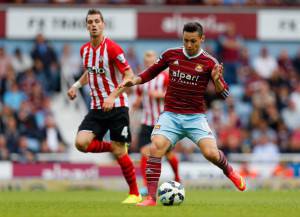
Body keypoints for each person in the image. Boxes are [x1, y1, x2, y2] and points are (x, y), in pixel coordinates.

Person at [120, 22, 246, 206]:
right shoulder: (171, 54)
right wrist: (135, 80)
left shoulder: (210, 62)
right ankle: (151, 199)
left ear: (201, 39)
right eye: (185, 40)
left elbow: (225, 94)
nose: (188, 45)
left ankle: (231, 172)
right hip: (171, 114)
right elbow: (150, 73)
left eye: (193, 41)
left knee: (210, 153)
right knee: (155, 148)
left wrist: (217, 81)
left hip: (195, 117)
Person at [67, 9, 141, 204]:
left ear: (103, 24)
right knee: (81, 143)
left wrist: (112, 96)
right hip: (97, 108)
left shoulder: (113, 48)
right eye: (90, 22)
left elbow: (129, 76)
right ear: (86, 25)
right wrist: (75, 86)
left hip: (117, 106)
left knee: (119, 152)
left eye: (97, 21)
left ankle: (134, 193)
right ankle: (116, 148)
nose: (93, 25)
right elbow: (89, 73)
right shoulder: (85, 50)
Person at [132, 50, 181, 196]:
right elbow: (141, 96)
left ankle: (177, 177)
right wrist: (136, 104)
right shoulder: (142, 79)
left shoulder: (164, 77)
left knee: (168, 154)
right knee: (143, 152)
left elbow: (173, 95)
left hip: (162, 122)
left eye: (151, 58)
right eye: (146, 57)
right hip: (146, 121)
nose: (148, 60)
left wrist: (159, 95)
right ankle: (146, 186)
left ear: (156, 60)